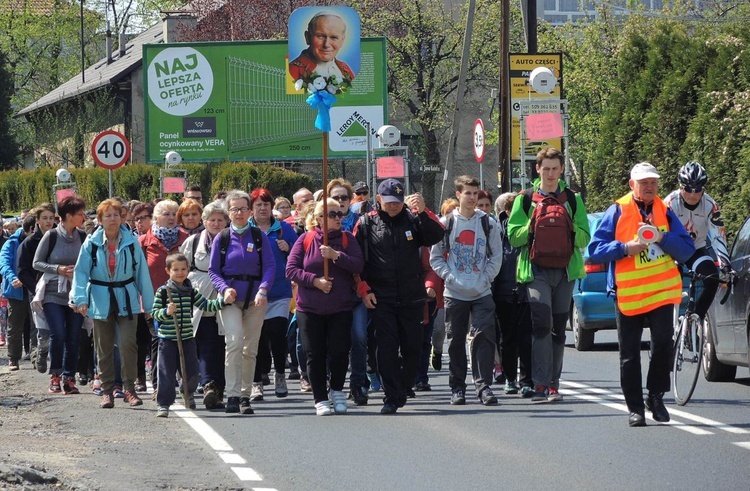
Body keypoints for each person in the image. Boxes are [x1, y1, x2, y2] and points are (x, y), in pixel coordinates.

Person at [587, 162, 694, 427]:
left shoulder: (665, 210)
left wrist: (661, 237)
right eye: (643, 182)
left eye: (653, 182)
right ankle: (635, 409)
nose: (649, 186)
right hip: (629, 293)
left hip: (660, 291)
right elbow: (594, 250)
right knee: (629, 354)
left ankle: (655, 396)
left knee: (663, 344)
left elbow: (686, 249)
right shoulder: (617, 210)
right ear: (631, 184)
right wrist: (624, 248)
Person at [507, 147, 590, 403]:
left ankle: (554, 385)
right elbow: (512, 236)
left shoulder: (573, 200)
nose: (551, 173)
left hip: (565, 272)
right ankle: (540, 384)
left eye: (555, 168)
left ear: (561, 169)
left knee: (558, 331)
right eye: (547, 168)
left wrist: (566, 224)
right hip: (535, 271)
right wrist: (532, 225)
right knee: (541, 325)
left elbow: (585, 238)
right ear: (538, 169)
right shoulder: (525, 199)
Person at [354, 179, 444, 414]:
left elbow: (435, 235)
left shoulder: (413, 220)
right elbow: (357, 263)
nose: (393, 206)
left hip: (411, 296)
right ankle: (392, 395)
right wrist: (364, 289)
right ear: (378, 199)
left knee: (413, 348)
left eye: (397, 202)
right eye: (389, 202)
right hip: (381, 297)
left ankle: (403, 385)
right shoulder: (366, 223)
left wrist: (424, 212)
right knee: (385, 347)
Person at [70, 199, 154, 409]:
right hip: (100, 298)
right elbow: (81, 272)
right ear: (100, 220)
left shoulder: (131, 241)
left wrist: (150, 306)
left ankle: (129, 389)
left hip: (126, 297)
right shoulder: (91, 242)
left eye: (116, 215)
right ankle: (107, 391)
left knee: (128, 344)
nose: (113, 219)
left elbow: (142, 274)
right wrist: (79, 299)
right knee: (104, 347)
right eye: (108, 215)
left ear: (122, 218)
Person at [430, 176, 503, 406]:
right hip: (455, 294)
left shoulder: (488, 223)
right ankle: (457, 388)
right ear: (458, 195)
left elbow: (496, 257)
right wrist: (452, 278)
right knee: (456, 340)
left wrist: (485, 279)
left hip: (482, 292)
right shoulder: (446, 223)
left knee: (483, 337)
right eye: (468, 193)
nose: (472, 198)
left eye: (475, 193)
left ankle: (484, 386)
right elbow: (435, 259)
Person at [286, 198, 364, 415]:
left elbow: (358, 264)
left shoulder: (348, 239)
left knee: (340, 351)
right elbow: (291, 269)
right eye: (332, 215)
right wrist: (315, 281)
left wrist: (336, 256)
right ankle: (320, 397)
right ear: (319, 218)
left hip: (340, 307)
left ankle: (337, 390)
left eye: (340, 214)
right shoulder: (306, 239)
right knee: (315, 353)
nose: (338, 218)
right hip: (310, 308)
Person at [209, 190, 275, 415]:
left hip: (256, 300)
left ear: (249, 211)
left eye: (243, 209)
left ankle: (245, 396)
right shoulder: (223, 237)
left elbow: (269, 266)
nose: (239, 213)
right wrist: (224, 288)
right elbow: (213, 270)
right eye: (234, 209)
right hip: (230, 300)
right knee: (234, 342)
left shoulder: (258, 236)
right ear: (229, 212)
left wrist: (263, 290)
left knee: (250, 349)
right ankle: (233, 395)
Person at [152, 253, 234, 418]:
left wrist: (224, 301)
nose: (180, 273)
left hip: (188, 338)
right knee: (166, 372)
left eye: (183, 269)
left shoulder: (190, 291)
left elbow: (206, 305)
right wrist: (166, 312)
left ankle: (187, 393)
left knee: (191, 370)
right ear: (168, 271)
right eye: (176, 269)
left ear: (188, 270)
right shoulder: (163, 292)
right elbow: (154, 313)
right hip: (167, 340)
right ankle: (164, 404)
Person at [246, 188, 298, 401]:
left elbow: (300, 252)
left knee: (277, 334)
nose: (263, 208)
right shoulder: (244, 230)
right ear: (252, 209)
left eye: (266, 204)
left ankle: (279, 375)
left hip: (280, 291)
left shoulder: (284, 229)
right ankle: (257, 381)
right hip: (253, 293)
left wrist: (289, 247)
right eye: (258, 204)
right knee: (257, 339)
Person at [33, 195, 87, 395]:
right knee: (58, 334)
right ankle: (55, 374)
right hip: (53, 293)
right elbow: (36, 263)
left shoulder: (83, 237)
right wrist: (59, 269)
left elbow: (90, 262)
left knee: (74, 337)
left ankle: (69, 377)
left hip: (75, 293)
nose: (83, 216)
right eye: (79, 213)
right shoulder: (52, 236)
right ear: (68, 216)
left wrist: (80, 271)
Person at [664, 161, 731, 320]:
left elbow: (717, 236)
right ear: (680, 187)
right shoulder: (669, 203)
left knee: (712, 278)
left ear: (703, 189)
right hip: (671, 253)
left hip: (695, 251)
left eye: (698, 189)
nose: (693, 194)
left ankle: (696, 318)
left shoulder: (710, 205)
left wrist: (726, 265)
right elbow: (661, 235)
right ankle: (666, 327)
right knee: (668, 284)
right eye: (688, 189)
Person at [181, 201, 230, 410]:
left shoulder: (233, 241)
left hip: (227, 298)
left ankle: (219, 388)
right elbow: (180, 269)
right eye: (212, 220)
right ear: (204, 221)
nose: (216, 223)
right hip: (200, 300)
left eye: (220, 220)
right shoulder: (193, 242)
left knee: (223, 346)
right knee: (204, 344)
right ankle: (208, 385)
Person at [139, 200, 189, 395]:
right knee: (159, 340)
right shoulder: (144, 241)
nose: (170, 218)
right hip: (154, 301)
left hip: (183, 299)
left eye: (173, 214)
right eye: (166, 214)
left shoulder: (186, 238)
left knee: (182, 340)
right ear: (156, 218)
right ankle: (159, 384)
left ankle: (185, 382)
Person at [492, 192, 534, 397]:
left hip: (525, 288)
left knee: (524, 337)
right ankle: (511, 379)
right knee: (509, 337)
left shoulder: (529, 225)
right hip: (504, 290)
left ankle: (525, 380)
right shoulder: (496, 229)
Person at [18, 204, 56, 373]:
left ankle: (59, 367)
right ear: (38, 221)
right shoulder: (29, 243)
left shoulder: (59, 237)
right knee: (43, 328)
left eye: (51, 218)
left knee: (60, 328)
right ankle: (41, 351)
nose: (49, 222)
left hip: (59, 289)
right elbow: (22, 270)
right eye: (45, 218)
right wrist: (36, 288)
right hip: (38, 290)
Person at [0, 217, 33, 370]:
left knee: (37, 326)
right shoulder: (11, 243)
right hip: (16, 290)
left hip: (34, 288)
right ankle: (13, 358)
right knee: (15, 326)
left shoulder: (39, 240)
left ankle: (36, 357)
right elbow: (4, 263)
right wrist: (13, 278)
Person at [289, 12, 355, 83]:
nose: (326, 44)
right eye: (320, 36)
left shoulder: (345, 69)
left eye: (334, 37)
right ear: (307, 37)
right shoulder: (293, 70)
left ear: (342, 41)